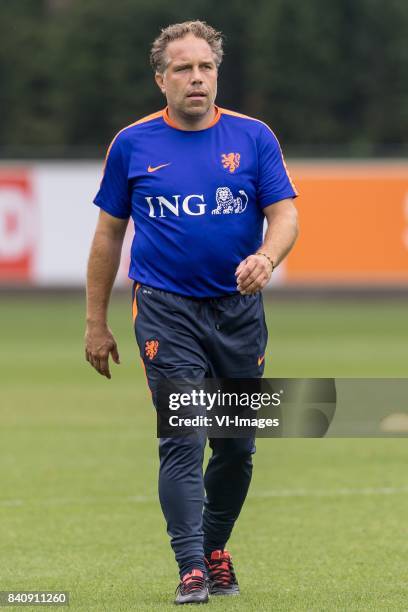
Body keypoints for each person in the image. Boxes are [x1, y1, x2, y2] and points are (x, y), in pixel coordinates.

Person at [85, 20, 298, 605]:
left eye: (205, 67)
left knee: (236, 445)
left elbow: (285, 216)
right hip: (164, 309)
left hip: (238, 311)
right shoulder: (133, 144)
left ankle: (213, 548)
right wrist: (95, 321)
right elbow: (108, 236)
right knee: (184, 434)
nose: (196, 77)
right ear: (162, 80)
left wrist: (267, 256)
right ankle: (191, 568)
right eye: (183, 68)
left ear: (217, 74)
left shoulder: (254, 138)